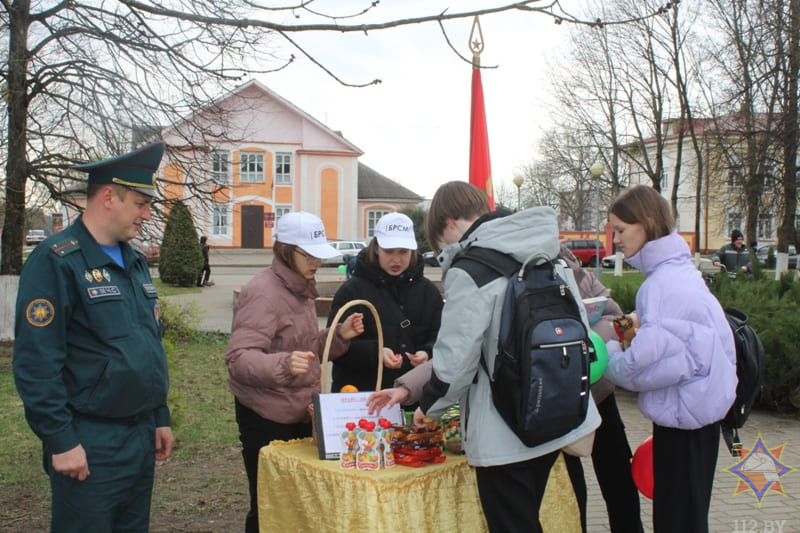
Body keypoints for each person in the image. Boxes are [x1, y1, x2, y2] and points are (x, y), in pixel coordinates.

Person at [371, 181, 600, 533]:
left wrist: (427, 407)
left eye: (441, 241)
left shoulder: (471, 269)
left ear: (449, 223)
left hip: (503, 426)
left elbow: (455, 360)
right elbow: (581, 329)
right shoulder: (548, 253)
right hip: (553, 410)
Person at [12, 141, 175, 533]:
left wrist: (159, 416)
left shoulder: (133, 262)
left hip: (139, 436)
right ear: (107, 196)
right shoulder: (57, 261)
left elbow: (145, 344)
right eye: (139, 203)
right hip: (89, 440)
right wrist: (61, 440)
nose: (146, 214)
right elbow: (36, 363)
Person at [604, 185, 737, 532]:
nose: (615, 239)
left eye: (620, 229)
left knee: (677, 521)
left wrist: (610, 356)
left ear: (647, 223)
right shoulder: (677, 274)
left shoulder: (663, 285)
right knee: (687, 517)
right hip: (694, 417)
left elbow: (647, 367)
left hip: (684, 422)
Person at [225, 211, 365, 533]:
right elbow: (238, 358)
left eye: (320, 254)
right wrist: (283, 365)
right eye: (309, 254)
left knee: (296, 505)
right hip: (265, 418)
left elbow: (303, 345)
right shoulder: (263, 292)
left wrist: (337, 336)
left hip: (297, 412)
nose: (317, 261)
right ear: (286, 249)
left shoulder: (300, 287)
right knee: (269, 506)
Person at [558, 244, 644, 533]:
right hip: (562, 395)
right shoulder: (525, 275)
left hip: (599, 392)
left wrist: (593, 336)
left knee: (618, 471)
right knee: (570, 480)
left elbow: (614, 316)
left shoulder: (577, 271)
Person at [327, 212, 443, 397]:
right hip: (362, 399)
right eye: (389, 251)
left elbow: (442, 338)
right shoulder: (351, 291)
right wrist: (375, 353)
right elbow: (333, 347)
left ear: (413, 251)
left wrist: (427, 353)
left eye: (403, 252)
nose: (396, 260)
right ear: (376, 249)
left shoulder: (429, 292)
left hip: (413, 399)